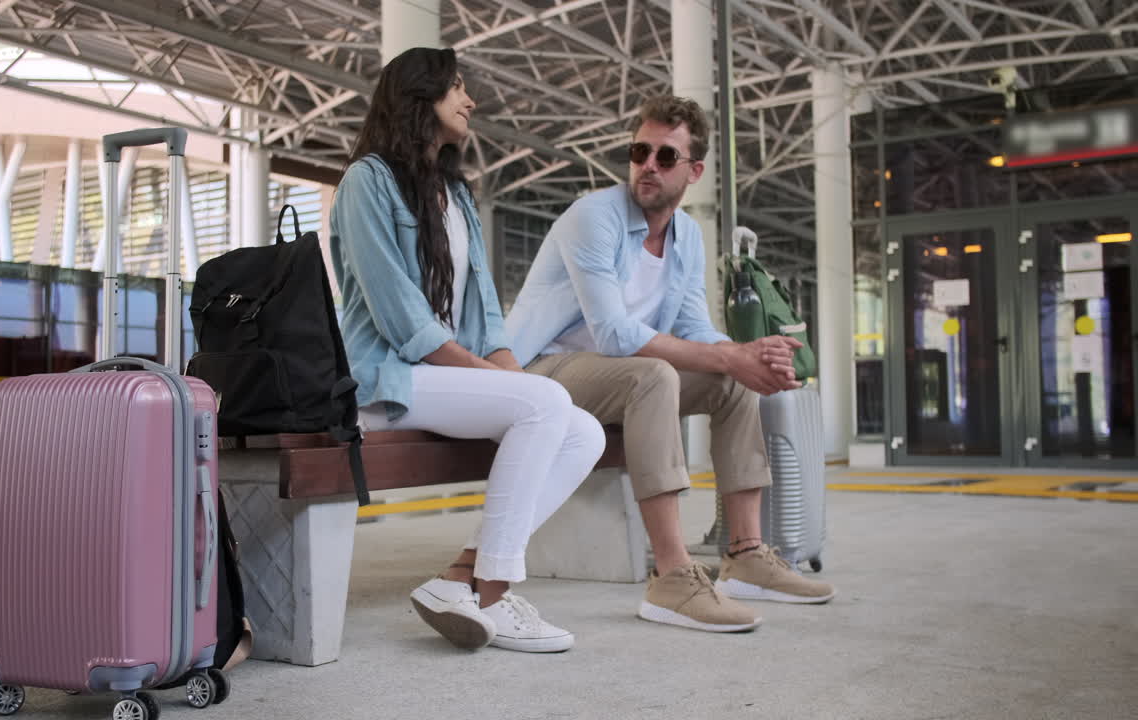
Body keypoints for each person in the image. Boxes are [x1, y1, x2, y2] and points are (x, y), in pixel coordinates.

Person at [505, 94, 836, 634]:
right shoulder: (595, 216)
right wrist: (727, 354)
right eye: (640, 152)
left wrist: (749, 356)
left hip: (616, 378)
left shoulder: (686, 238)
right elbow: (613, 333)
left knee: (731, 383)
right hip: (545, 371)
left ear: (694, 171)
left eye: (665, 157)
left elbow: (696, 329)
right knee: (653, 374)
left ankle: (747, 555)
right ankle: (672, 574)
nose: (648, 166)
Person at [329, 47, 605, 653]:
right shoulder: (365, 182)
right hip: (384, 380)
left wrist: (513, 379)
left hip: (438, 378)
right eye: (455, 86)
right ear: (418, 95)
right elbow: (403, 323)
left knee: (584, 432)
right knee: (541, 404)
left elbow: (485, 321)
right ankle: (493, 593)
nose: (470, 99)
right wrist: (515, 389)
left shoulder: (455, 194)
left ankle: (463, 576)